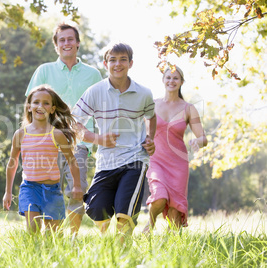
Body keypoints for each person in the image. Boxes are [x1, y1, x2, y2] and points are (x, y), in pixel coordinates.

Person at [72, 43, 157, 239]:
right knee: (96, 210)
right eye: (113, 59)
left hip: (135, 159)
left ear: (131, 63)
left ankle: (121, 256)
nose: (117, 64)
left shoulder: (144, 93)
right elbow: (73, 122)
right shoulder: (95, 91)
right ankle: (108, 248)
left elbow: (151, 116)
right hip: (106, 162)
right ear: (105, 63)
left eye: (123, 59)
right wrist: (97, 138)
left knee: (124, 215)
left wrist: (150, 137)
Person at [25, 22, 102, 234]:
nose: (66, 43)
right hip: (45, 141)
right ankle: (50, 236)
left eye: (70, 39)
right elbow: (30, 106)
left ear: (78, 43)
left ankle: (72, 238)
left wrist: (97, 141)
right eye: (62, 40)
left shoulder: (93, 74)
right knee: (47, 191)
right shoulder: (44, 70)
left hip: (79, 141)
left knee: (77, 190)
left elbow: (100, 110)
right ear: (56, 46)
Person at [3, 85, 83, 233]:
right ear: (28, 107)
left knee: (54, 235)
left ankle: (52, 256)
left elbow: (72, 160)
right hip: (29, 188)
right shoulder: (20, 134)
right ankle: (32, 255)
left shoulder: (57, 134)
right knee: (33, 229)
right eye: (36, 102)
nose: (40, 106)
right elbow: (12, 163)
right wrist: (8, 192)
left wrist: (77, 186)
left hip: (52, 190)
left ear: (52, 109)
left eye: (46, 103)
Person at [143, 65, 208, 233]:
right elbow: (141, 133)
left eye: (175, 78)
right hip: (156, 159)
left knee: (175, 213)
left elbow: (203, 137)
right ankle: (149, 225)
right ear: (163, 80)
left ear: (181, 82)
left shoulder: (188, 108)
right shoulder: (152, 105)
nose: (171, 81)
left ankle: (174, 249)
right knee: (159, 197)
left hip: (178, 164)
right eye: (168, 77)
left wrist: (198, 142)